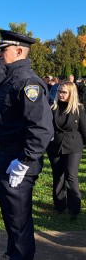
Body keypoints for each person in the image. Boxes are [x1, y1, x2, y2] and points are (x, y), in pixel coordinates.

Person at [0, 30, 54, 259]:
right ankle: (13, 254)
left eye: (3, 49)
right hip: (5, 158)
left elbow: (42, 129)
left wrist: (24, 162)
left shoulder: (28, 82)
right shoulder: (10, 78)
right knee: (11, 219)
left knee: (19, 223)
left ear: (18, 51)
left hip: (17, 162)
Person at [46, 82, 86, 219]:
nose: (61, 94)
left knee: (71, 175)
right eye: (59, 92)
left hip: (73, 145)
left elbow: (84, 128)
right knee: (58, 176)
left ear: (71, 94)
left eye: (64, 92)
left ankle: (74, 209)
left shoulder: (78, 109)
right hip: (55, 145)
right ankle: (59, 206)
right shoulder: (52, 107)